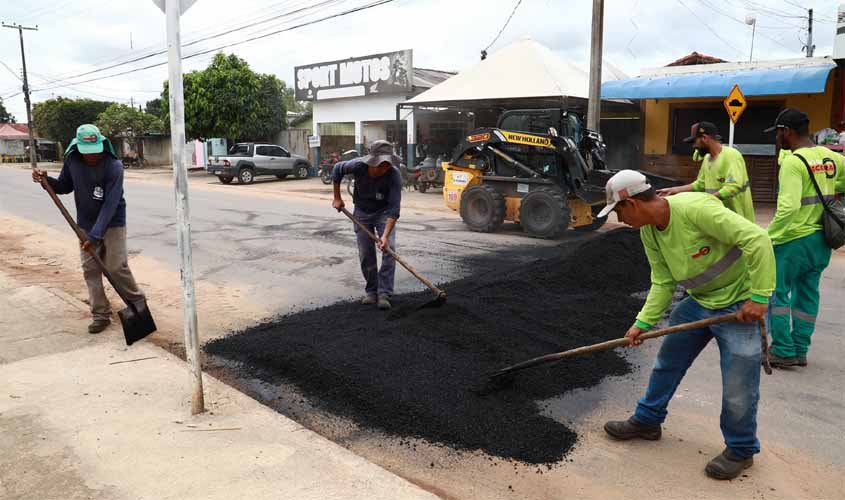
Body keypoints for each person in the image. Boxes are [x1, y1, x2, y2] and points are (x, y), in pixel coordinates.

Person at [598, 170, 775, 480]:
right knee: (667, 363)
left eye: (618, 211)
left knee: (738, 384)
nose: (618, 219)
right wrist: (642, 323)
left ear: (633, 204)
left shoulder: (695, 209)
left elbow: (757, 239)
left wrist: (759, 297)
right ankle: (648, 420)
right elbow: (663, 280)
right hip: (698, 303)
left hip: (740, 304)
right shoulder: (649, 231)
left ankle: (741, 449)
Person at [32, 124, 146, 334]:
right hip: (84, 224)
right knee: (90, 270)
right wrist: (46, 181)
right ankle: (101, 314)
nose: (92, 156)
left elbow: (110, 204)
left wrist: (95, 236)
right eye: (87, 153)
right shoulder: (73, 160)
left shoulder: (114, 166)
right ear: (78, 147)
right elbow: (64, 186)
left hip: (112, 223)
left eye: (96, 152)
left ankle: (138, 304)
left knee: (115, 267)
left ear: (103, 145)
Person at [764, 108, 845, 368]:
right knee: (808, 295)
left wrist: (768, 237)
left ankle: (783, 350)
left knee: (777, 294)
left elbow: (788, 208)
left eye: (777, 133)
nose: (777, 138)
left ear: (786, 131)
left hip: (793, 241)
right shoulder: (832, 158)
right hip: (821, 241)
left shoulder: (793, 162)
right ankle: (800, 349)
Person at [331, 140, 402, 310]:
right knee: (365, 252)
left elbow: (394, 209)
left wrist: (384, 237)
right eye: (381, 165)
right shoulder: (356, 166)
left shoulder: (394, 175)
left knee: (389, 249)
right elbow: (336, 170)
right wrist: (337, 197)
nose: (385, 168)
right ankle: (371, 291)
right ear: (371, 162)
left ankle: (384, 293)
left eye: (387, 164)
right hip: (362, 212)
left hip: (384, 212)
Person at [658, 122, 755, 222]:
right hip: (719, 216)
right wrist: (674, 190)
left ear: (704, 138)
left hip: (738, 218)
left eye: (694, 142)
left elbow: (733, 187)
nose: (693, 146)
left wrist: (706, 201)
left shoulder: (731, 155)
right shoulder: (707, 158)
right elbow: (699, 184)